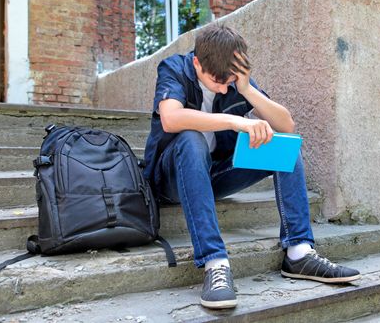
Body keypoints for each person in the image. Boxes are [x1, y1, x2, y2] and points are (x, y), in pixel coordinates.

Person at [143, 24, 360, 309]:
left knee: (283, 148)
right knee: (191, 139)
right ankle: (214, 262)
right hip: (170, 178)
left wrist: (246, 88)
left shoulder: (236, 81)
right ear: (197, 62)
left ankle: (298, 252)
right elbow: (171, 118)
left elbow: (287, 125)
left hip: (213, 176)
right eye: (217, 81)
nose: (224, 87)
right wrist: (236, 121)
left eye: (229, 80)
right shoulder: (174, 68)